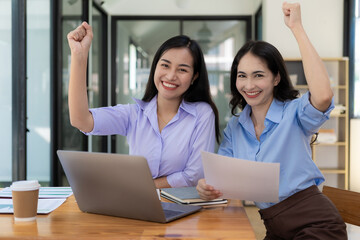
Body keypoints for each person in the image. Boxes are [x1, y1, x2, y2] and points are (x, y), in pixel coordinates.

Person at [196, 2, 347, 239]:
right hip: (274, 226)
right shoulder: (235, 128)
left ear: (276, 78)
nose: (249, 85)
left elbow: (324, 95)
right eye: (242, 76)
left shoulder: (294, 113)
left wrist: (296, 27)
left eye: (259, 75)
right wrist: (206, 186)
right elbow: (220, 177)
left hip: (316, 223)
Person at [67, 22, 220, 189]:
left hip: (183, 208)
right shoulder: (134, 114)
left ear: (194, 77)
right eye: (165, 65)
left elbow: (193, 176)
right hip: (138, 206)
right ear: (155, 67)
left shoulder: (203, 114)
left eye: (182, 70)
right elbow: (81, 120)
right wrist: (78, 55)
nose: (170, 75)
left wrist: (141, 187)